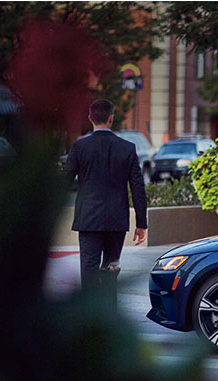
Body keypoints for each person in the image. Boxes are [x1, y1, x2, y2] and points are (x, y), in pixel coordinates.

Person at [66, 99, 148, 310]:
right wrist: (141, 223)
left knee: (89, 270)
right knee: (112, 269)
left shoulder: (79, 146)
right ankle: (110, 313)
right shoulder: (128, 148)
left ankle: (90, 318)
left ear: (90, 118)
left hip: (88, 219)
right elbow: (138, 187)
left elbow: (64, 181)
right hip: (116, 220)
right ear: (111, 118)